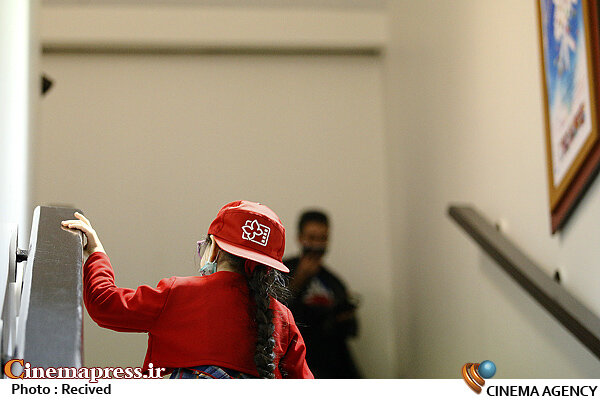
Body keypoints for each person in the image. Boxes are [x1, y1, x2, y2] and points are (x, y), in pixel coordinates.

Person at [61, 200, 313, 379]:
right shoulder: (282, 318)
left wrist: (96, 253)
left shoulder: (179, 293)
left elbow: (104, 304)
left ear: (214, 249)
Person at [284, 210, 361, 378]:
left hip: (333, 362)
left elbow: (352, 330)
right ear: (300, 238)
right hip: (297, 361)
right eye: (311, 238)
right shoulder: (283, 271)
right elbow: (274, 314)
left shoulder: (334, 281)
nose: (316, 245)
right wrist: (299, 280)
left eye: (322, 238)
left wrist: (343, 317)